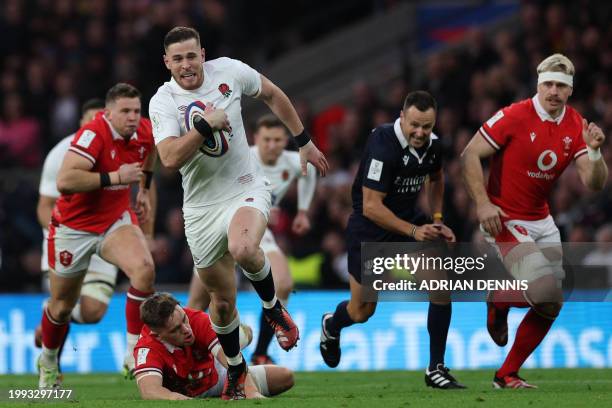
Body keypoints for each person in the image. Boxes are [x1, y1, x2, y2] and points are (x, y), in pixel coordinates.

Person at [148, 26, 328, 399]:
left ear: (203, 53)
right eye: (177, 58)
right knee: (223, 303)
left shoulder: (229, 71)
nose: (186, 65)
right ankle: (235, 372)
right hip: (199, 208)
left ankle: (273, 309)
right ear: (167, 62)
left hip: (245, 187)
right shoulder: (163, 101)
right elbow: (168, 158)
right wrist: (203, 126)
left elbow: (273, 94)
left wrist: (304, 142)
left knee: (244, 248)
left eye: (191, 55)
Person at [461, 53, 608, 388]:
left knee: (553, 301)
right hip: (504, 218)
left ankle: (506, 374)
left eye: (561, 86)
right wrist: (483, 205)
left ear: (570, 91)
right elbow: (469, 154)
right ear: (538, 85)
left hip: (542, 220)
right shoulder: (514, 115)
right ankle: (498, 299)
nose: (553, 91)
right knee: (544, 289)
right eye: (548, 84)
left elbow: (594, 183)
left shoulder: (575, 124)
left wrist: (596, 152)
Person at [319, 91, 465, 389]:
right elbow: (372, 206)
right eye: (415, 125)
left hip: (408, 222)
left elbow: (436, 178)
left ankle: (436, 368)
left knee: (440, 282)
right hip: (369, 230)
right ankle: (332, 325)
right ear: (402, 117)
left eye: (427, 126)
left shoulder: (433, 145)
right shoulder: (383, 144)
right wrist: (414, 231)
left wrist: (436, 220)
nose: (421, 132)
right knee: (362, 312)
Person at [37, 83, 158, 389]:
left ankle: (132, 352)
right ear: (108, 113)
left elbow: (151, 151)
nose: (133, 117)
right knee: (62, 306)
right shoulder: (92, 135)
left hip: (115, 221)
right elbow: (65, 181)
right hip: (74, 227)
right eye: (125, 112)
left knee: (144, 271)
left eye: (136, 111)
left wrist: (144, 188)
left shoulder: (144, 129)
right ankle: (48, 360)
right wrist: (116, 178)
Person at [186, 114, 317, 365]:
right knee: (197, 302)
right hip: (220, 227)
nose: (272, 145)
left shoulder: (292, 162)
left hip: (255, 231)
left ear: (284, 141)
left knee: (284, 284)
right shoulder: (241, 156)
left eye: (278, 140)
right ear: (256, 139)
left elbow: (308, 171)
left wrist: (302, 210)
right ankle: (186, 359)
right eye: (267, 139)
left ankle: (260, 353)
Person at [133, 293, 294, 400]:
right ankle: (235, 335)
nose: (186, 329)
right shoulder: (147, 347)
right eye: (176, 329)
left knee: (285, 376)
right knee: (231, 340)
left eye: (183, 319)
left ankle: (240, 335)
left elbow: (232, 361)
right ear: (157, 334)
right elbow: (150, 391)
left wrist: (252, 393)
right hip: (184, 390)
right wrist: (185, 401)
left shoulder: (197, 319)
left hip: (215, 375)